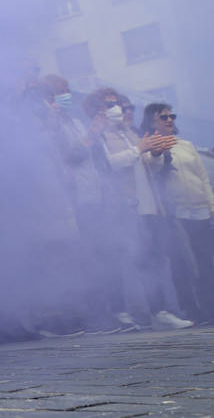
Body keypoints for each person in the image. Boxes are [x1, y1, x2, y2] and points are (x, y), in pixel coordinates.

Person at [91, 87, 194, 330]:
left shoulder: (129, 132)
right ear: (97, 110)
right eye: (111, 104)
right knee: (135, 260)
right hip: (123, 206)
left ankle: (159, 310)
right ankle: (135, 312)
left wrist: (157, 153)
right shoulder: (100, 137)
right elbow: (108, 167)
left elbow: (151, 167)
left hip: (147, 203)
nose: (119, 110)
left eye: (121, 105)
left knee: (153, 258)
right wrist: (139, 149)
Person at [141, 102, 214, 323]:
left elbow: (203, 178)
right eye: (163, 117)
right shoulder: (150, 146)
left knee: (207, 261)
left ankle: (210, 307)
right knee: (185, 263)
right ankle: (193, 309)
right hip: (176, 212)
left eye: (171, 116)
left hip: (200, 209)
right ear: (152, 122)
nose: (170, 120)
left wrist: (212, 206)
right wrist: (157, 152)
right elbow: (153, 169)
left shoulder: (186, 144)